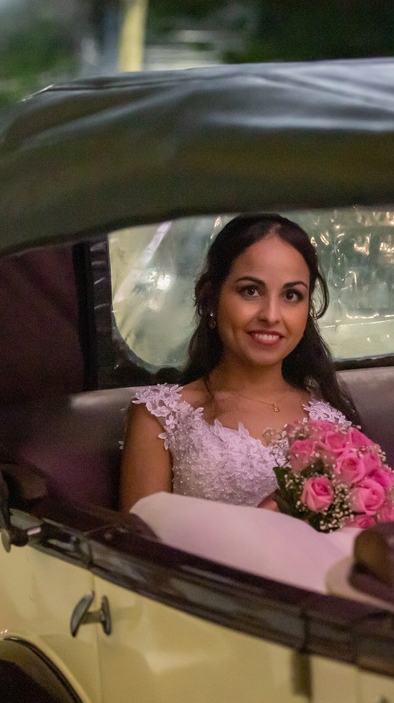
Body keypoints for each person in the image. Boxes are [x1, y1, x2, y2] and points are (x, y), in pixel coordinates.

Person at [120, 213, 361, 512]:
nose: (271, 315)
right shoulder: (161, 415)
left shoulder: (331, 418)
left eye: (291, 295)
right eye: (250, 291)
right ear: (210, 298)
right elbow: (140, 547)